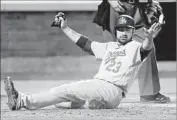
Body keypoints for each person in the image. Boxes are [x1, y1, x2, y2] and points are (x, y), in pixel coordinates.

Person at [4, 13, 166, 110]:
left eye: (127, 30)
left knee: (66, 89)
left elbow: (146, 48)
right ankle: (91, 103)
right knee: (62, 103)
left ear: (132, 32)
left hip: (112, 89)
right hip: (103, 90)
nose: (124, 33)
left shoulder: (135, 47)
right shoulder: (109, 46)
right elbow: (86, 44)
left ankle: (23, 101)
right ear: (116, 31)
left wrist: (149, 37)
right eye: (120, 29)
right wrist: (66, 28)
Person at [93, 0, 170, 103]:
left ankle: (149, 93)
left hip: (139, 6)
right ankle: (103, 94)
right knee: (113, 51)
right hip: (116, 5)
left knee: (147, 44)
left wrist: (152, 2)